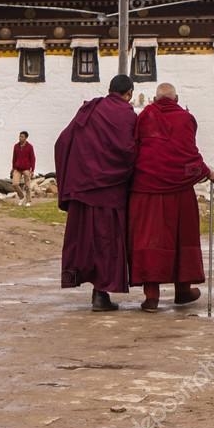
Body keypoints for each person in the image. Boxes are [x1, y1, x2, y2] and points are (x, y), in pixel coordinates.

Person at [128, 82, 214, 312]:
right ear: (176, 99)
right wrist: (208, 172)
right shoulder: (185, 118)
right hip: (178, 190)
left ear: (155, 100)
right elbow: (189, 154)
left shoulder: (145, 116)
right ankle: (182, 291)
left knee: (150, 240)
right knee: (182, 238)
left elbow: (135, 148)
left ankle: (151, 297)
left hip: (146, 189)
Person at [54, 74, 138, 312]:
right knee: (107, 242)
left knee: (83, 240)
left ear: (110, 89)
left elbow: (63, 141)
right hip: (110, 191)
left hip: (83, 188)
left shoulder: (91, 109)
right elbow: (129, 151)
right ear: (129, 93)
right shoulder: (127, 115)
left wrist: (74, 174)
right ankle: (100, 295)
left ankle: (89, 288)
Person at [11, 131, 36, 206]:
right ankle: (21, 197)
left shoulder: (30, 147)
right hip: (17, 168)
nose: (20, 138)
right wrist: (13, 168)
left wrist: (32, 170)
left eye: (22, 137)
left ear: (26, 138)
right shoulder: (16, 146)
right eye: (19, 136)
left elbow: (33, 158)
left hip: (26, 169)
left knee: (27, 185)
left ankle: (28, 201)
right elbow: (14, 158)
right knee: (15, 184)